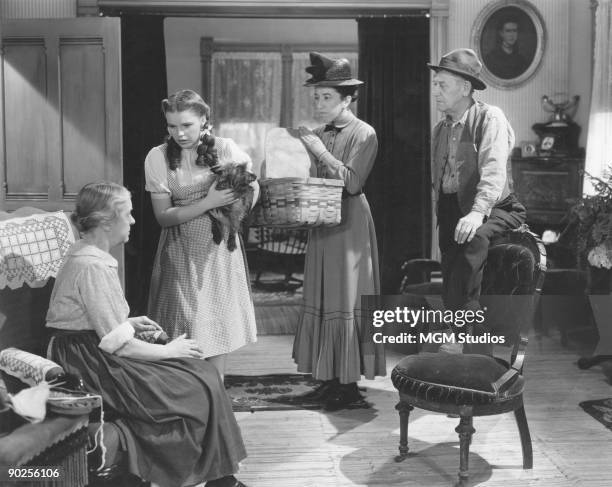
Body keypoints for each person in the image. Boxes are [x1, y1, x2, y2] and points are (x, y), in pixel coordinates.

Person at [46, 181, 248, 487]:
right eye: (127, 214)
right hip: (87, 360)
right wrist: (169, 351)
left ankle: (220, 476)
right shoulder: (91, 266)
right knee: (194, 382)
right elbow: (119, 345)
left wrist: (131, 321)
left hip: (92, 347)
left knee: (202, 373)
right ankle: (208, 476)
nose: (133, 221)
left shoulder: (88, 255)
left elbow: (99, 320)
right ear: (105, 223)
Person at [292, 52, 385, 410]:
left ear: (347, 99)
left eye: (326, 97)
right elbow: (309, 178)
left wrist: (321, 152)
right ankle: (328, 378)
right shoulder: (316, 133)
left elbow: (353, 183)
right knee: (323, 295)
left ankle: (347, 384)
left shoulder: (365, 134)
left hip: (349, 224)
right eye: (316, 96)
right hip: (322, 220)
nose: (318, 103)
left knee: (346, 297)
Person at [144, 89, 257, 380]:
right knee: (186, 323)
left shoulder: (225, 147)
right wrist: (207, 203)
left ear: (204, 120)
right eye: (172, 126)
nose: (179, 133)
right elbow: (163, 217)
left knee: (217, 324)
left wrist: (235, 212)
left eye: (186, 125)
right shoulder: (157, 158)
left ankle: (216, 397)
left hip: (219, 249)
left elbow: (253, 188)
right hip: (179, 249)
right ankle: (187, 397)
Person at [428, 48, 526, 351]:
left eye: (442, 84)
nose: (435, 91)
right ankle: (455, 333)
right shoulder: (440, 128)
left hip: (497, 207)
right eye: (435, 83)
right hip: (452, 208)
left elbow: (494, 173)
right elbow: (441, 181)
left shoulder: (489, 118)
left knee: (474, 242)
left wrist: (476, 213)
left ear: (466, 88)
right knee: (449, 268)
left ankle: (465, 337)